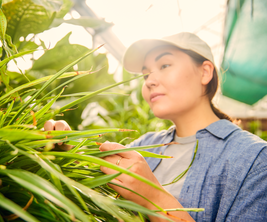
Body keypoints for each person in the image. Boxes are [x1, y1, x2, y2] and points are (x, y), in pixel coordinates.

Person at [44, 32, 267, 221]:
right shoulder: (146, 145)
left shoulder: (255, 160)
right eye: (145, 74)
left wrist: (153, 198)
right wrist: (67, 154)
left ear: (205, 72)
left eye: (165, 65)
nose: (150, 80)